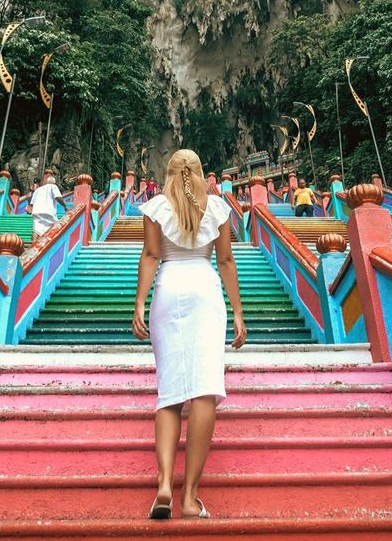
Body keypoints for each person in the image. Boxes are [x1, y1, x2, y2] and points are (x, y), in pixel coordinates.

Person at [132, 149, 246, 520]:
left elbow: (150, 256)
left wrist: (138, 304)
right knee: (203, 391)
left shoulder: (156, 207)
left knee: (168, 392)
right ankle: (190, 497)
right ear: (201, 173)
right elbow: (226, 260)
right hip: (204, 287)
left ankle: (164, 483)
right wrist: (239, 312)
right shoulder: (216, 208)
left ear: (168, 173)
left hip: (168, 287)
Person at [26, 175, 68, 243]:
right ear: (53, 183)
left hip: (37, 211)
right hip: (48, 211)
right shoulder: (53, 186)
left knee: (36, 228)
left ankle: (33, 243)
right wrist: (65, 205)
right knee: (54, 226)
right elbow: (58, 197)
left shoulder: (38, 190)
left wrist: (30, 209)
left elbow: (31, 203)